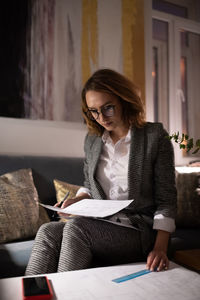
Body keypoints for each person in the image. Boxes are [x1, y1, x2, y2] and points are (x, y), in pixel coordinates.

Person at [25, 68, 177, 275]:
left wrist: (160, 248)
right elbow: (89, 185)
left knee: (76, 229)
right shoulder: (93, 140)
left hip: (137, 229)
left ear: (124, 100)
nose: (101, 117)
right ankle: (32, 294)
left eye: (108, 108)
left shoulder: (155, 136)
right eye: (93, 111)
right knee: (47, 231)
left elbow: (166, 199)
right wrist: (75, 202)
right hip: (101, 223)